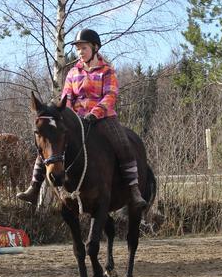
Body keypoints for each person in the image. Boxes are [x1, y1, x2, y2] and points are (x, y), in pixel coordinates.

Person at [17, 28, 147, 211]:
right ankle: (34, 187)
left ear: (95, 48)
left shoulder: (107, 71)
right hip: (77, 119)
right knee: (49, 141)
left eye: (83, 48)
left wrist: (95, 112)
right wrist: (69, 115)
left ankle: (134, 190)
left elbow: (110, 96)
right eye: (78, 49)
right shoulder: (73, 72)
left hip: (103, 117)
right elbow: (67, 96)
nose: (80, 52)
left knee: (123, 145)